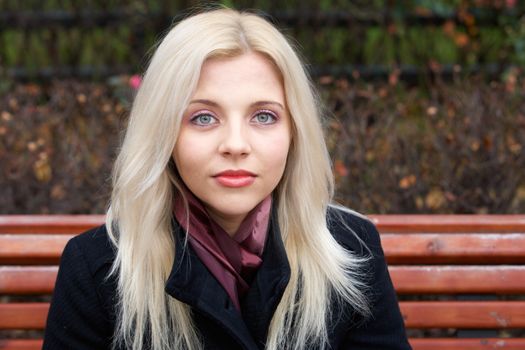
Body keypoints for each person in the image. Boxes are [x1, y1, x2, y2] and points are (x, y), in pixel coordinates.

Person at [43, 8, 411, 350]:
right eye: (203, 118)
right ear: (164, 134)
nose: (235, 145)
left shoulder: (350, 248)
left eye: (264, 116)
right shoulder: (98, 269)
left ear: (295, 132)